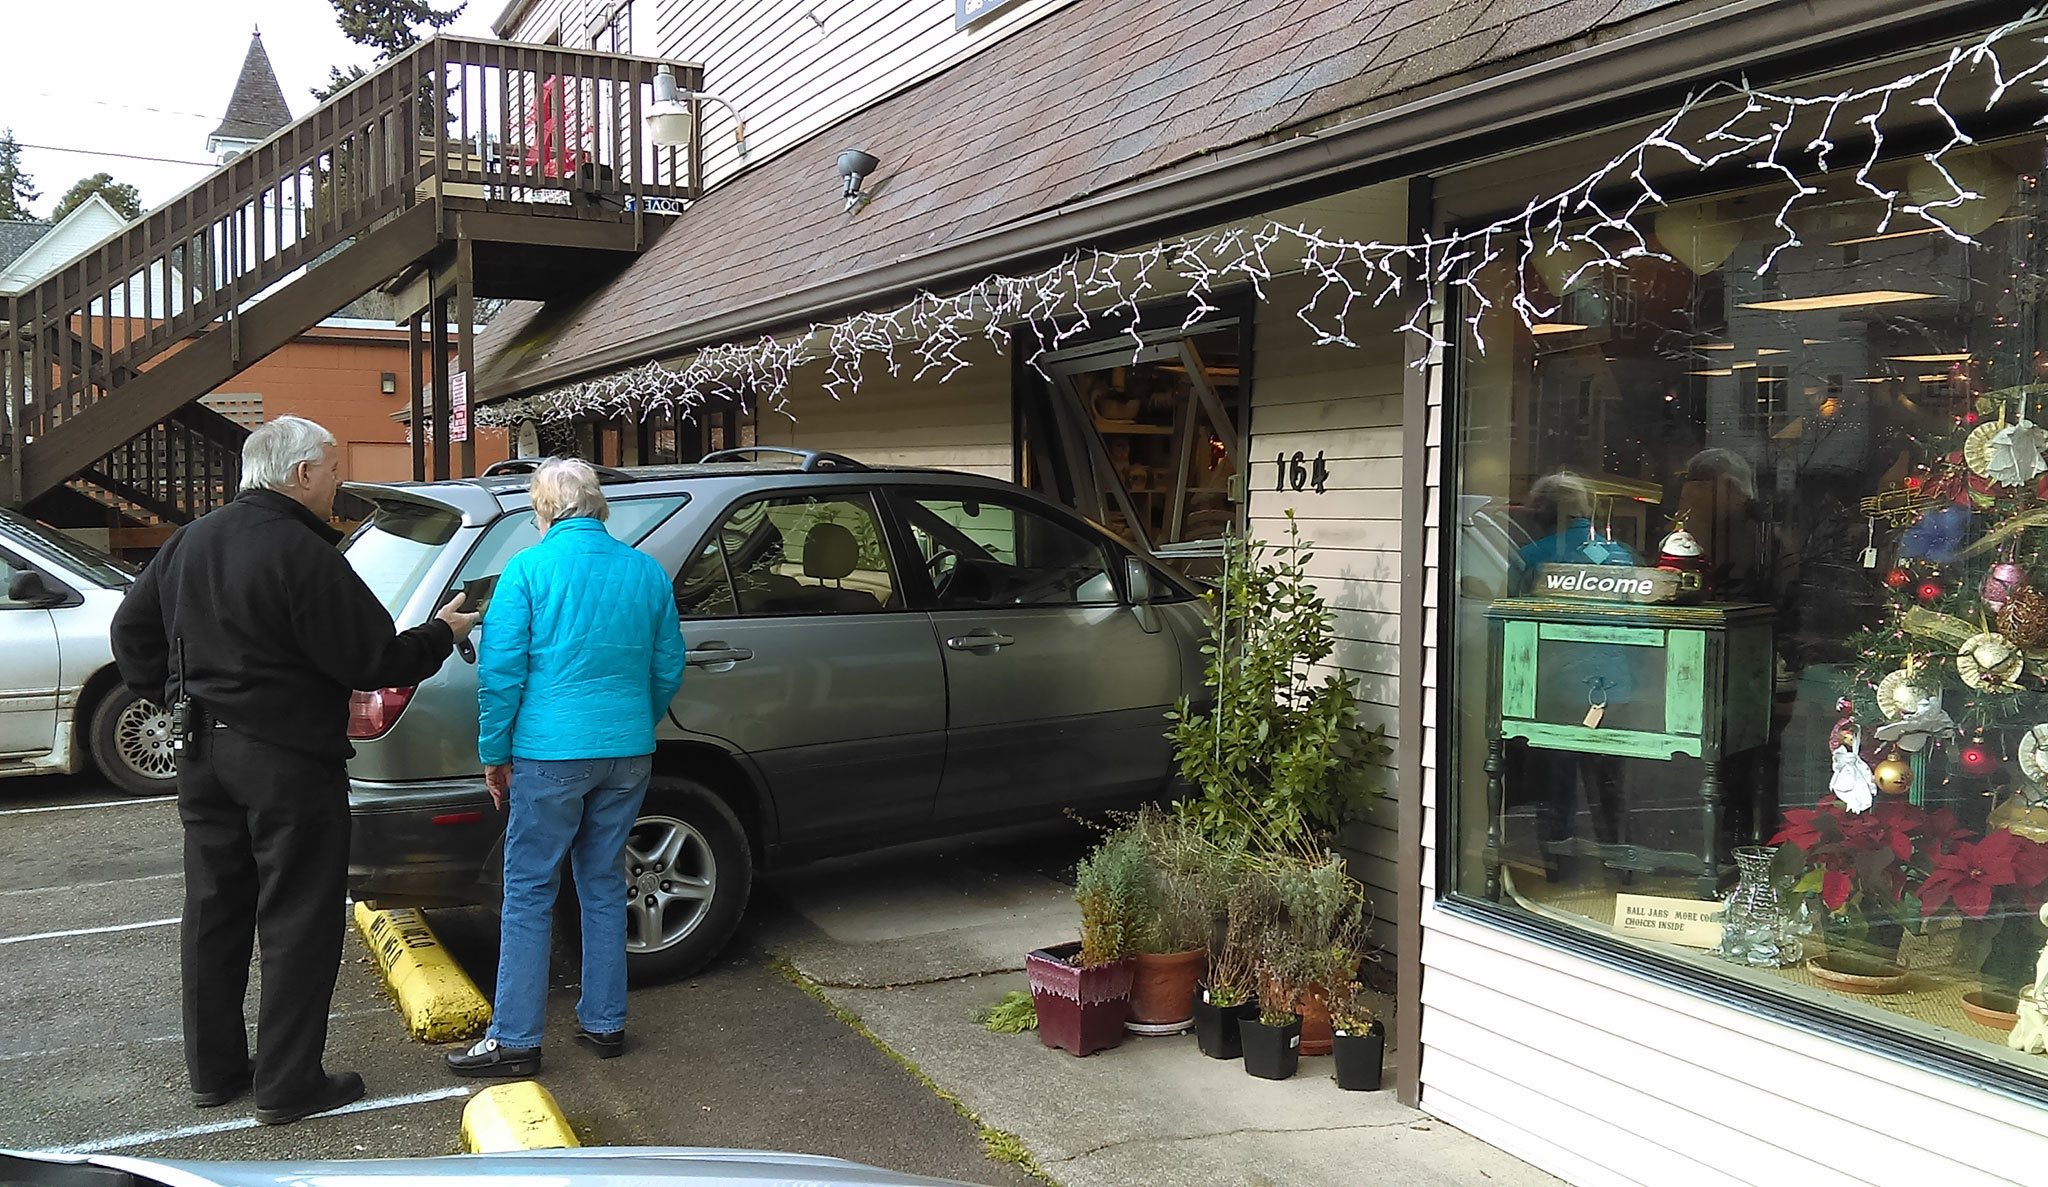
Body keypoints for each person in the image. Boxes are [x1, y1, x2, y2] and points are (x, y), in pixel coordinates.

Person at [110, 416, 479, 1125]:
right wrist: (443, 633)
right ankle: (286, 1082)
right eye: (332, 467)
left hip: (201, 751)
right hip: (284, 756)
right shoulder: (304, 553)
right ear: (302, 473)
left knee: (214, 909)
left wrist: (173, 691)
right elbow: (373, 658)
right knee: (297, 916)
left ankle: (214, 1070)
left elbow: (131, 630)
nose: (337, 480)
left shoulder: (193, 539)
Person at [448, 458, 685, 1077]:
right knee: (603, 882)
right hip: (628, 748)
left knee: (529, 889)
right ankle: (605, 1023)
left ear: (544, 509)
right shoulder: (646, 571)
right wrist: (635, 721)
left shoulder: (526, 570)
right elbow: (667, 668)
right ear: (597, 505)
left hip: (551, 752)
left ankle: (517, 1038)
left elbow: (501, 676)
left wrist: (494, 754)